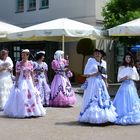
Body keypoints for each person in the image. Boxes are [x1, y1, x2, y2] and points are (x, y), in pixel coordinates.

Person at [78, 49, 117, 124]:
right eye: (96, 53)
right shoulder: (91, 61)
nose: (97, 54)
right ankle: (91, 117)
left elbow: (104, 74)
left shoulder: (104, 63)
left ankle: (104, 117)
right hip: (92, 82)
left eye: (99, 53)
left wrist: (106, 82)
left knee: (102, 99)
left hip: (101, 82)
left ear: (101, 55)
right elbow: (86, 74)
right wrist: (95, 73)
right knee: (92, 98)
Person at [4, 49, 46, 118]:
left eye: (24, 55)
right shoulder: (19, 63)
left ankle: (32, 111)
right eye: (22, 55)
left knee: (32, 95)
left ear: (27, 55)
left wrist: (33, 82)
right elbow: (17, 74)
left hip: (29, 81)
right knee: (22, 95)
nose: (22, 56)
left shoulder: (31, 63)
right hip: (22, 80)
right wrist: (16, 82)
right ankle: (23, 111)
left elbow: (32, 73)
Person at [113, 52, 140, 125]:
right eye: (126, 57)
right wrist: (124, 78)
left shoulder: (133, 67)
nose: (128, 59)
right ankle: (122, 114)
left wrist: (131, 77)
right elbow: (118, 79)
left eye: (129, 58)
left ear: (131, 59)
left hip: (131, 86)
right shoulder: (121, 67)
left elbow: (137, 78)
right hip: (124, 85)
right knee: (123, 100)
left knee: (132, 100)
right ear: (124, 58)